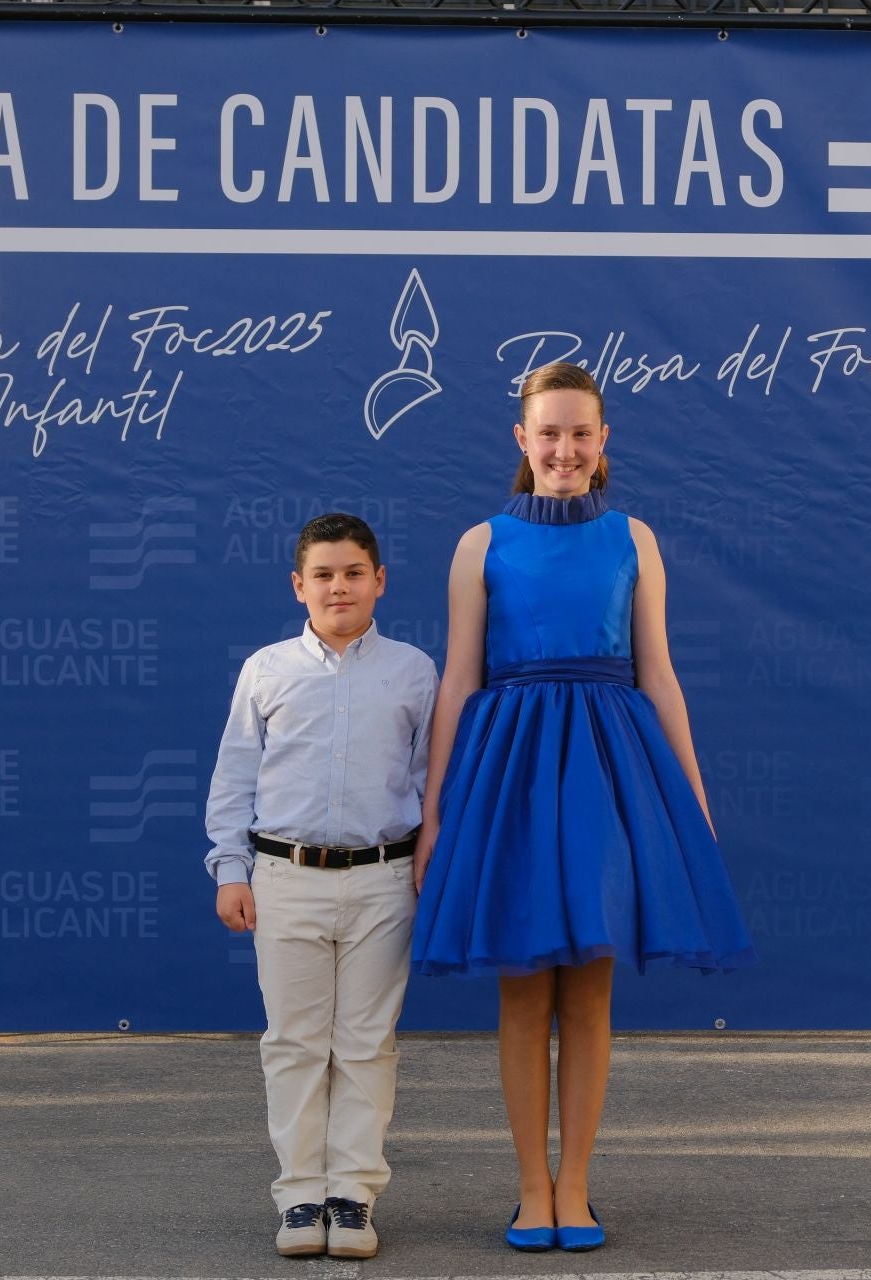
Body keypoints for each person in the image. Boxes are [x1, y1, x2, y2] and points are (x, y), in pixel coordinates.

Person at [410, 361, 755, 1254]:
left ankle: (576, 1186)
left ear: (604, 443)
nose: (563, 449)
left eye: (579, 433)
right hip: (511, 774)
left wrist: (691, 795)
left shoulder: (634, 539)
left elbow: (658, 673)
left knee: (591, 994)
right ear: (521, 441)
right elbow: (459, 680)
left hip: (608, 771)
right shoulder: (479, 544)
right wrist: (436, 810)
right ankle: (531, 1188)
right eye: (548, 433)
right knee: (524, 994)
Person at [205, 512, 438, 1260]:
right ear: (298, 585)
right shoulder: (267, 669)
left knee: (366, 1043)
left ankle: (354, 1195)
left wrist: (432, 864)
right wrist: (230, 868)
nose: (340, 587)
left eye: (354, 573)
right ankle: (301, 1194)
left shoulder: (413, 671)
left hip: (384, 878)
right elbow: (235, 775)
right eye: (324, 575)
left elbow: (430, 779)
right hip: (285, 877)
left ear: (380, 581)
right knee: (294, 1042)